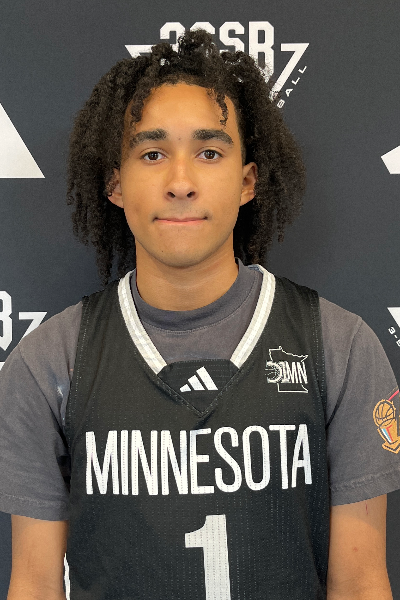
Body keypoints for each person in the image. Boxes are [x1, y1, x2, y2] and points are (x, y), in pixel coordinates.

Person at [0, 28, 398, 600]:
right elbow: (35, 586)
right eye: (152, 153)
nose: (181, 182)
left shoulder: (341, 348)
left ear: (247, 181)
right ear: (115, 183)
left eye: (209, 153)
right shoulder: (48, 364)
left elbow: (359, 585)